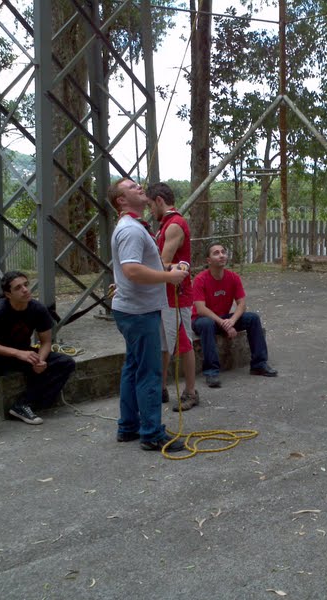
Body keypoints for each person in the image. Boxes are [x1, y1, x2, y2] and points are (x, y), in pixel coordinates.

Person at [108, 177, 188, 452]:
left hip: (133, 309)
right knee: (150, 373)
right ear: (121, 200)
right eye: (132, 187)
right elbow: (131, 269)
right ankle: (152, 433)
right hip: (139, 312)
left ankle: (129, 426)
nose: (140, 187)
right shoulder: (131, 229)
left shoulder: (132, 226)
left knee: (133, 368)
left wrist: (167, 270)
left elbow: (133, 268)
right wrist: (169, 277)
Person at [0, 271, 76, 443]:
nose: (25, 290)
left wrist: (40, 360)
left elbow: (46, 342)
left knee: (65, 362)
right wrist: (17, 353)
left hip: (23, 355)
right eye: (18, 288)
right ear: (8, 294)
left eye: (26, 285)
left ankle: (24, 405)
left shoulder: (37, 309)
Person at [192, 242, 277, 388]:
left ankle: (259, 364)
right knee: (207, 324)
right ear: (208, 260)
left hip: (224, 318)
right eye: (216, 253)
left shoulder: (233, 277)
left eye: (223, 252)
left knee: (253, 318)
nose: (221, 255)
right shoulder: (200, 279)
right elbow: (201, 309)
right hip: (203, 320)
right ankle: (211, 371)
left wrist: (232, 321)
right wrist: (224, 323)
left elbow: (242, 304)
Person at [147, 182, 200, 412]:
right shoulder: (166, 225)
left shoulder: (175, 225)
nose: (150, 211)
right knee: (163, 342)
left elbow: (162, 263)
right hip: (164, 294)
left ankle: (191, 391)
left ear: (159, 201)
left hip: (176, 296)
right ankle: (161, 387)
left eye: (150, 205)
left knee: (183, 343)